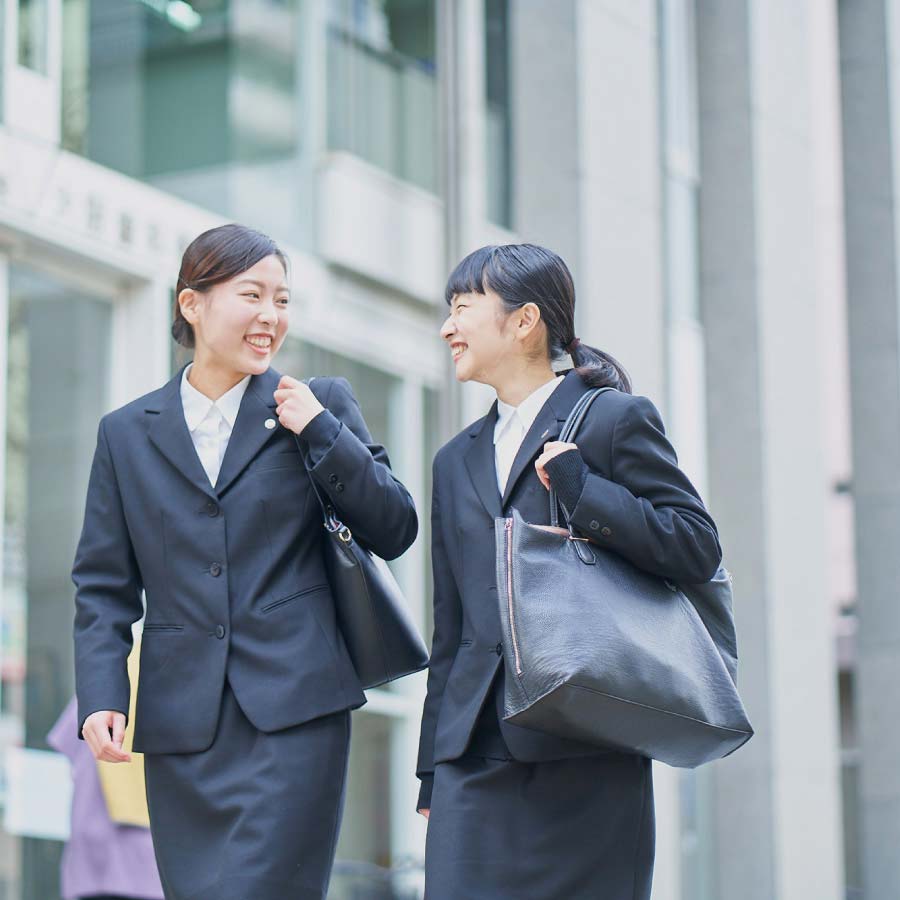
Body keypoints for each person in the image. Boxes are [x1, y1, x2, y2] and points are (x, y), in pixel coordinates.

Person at [72, 223, 418, 900]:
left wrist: (321, 431)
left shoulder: (316, 404)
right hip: (182, 727)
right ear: (191, 304)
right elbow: (103, 585)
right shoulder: (126, 434)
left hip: (294, 713)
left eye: (282, 300)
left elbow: (396, 525)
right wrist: (103, 696)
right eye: (252, 295)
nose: (271, 317)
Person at [416, 243, 722, 899]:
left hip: (588, 742)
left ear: (524, 321)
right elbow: (453, 628)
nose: (449, 326)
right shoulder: (454, 460)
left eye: (463, 307)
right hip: (474, 754)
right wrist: (430, 769)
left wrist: (584, 491)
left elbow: (695, 545)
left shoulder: (611, 419)